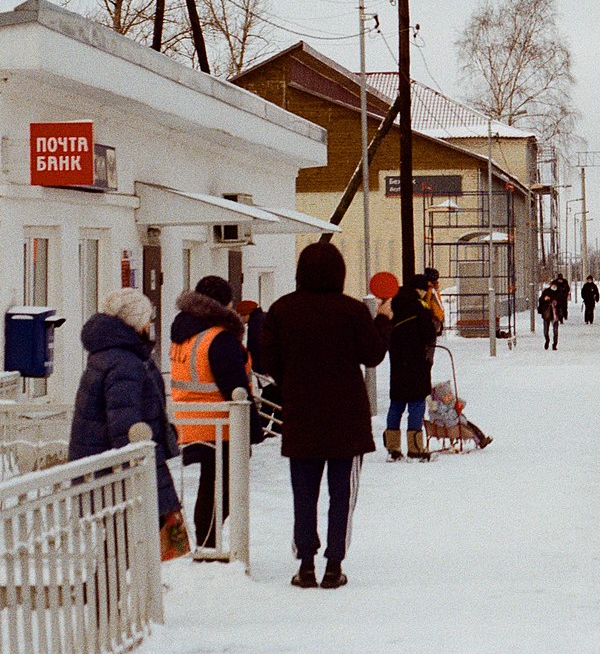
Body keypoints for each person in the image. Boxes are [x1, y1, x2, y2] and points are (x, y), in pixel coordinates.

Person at [261, 241, 392, 591]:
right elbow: (373, 354)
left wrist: (289, 382)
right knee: (341, 496)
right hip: (347, 420)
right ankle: (334, 565)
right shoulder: (351, 311)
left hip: (302, 416)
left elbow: (267, 360)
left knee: (304, 494)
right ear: (340, 272)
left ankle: (305, 564)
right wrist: (382, 320)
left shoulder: (282, 309)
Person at [69, 287, 183, 550]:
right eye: (147, 319)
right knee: (128, 544)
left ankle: (123, 590)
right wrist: (139, 465)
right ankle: (110, 592)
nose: (150, 324)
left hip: (110, 465)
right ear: (135, 323)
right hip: (122, 469)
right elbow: (125, 425)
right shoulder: (125, 362)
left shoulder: (113, 356)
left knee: (126, 543)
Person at [169, 275, 259, 550]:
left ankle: (209, 543)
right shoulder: (218, 338)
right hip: (223, 424)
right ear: (225, 303)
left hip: (192, 421)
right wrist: (252, 431)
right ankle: (209, 546)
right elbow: (235, 388)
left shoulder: (184, 332)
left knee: (212, 487)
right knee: (222, 492)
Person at [384, 275, 438, 461]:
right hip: (416, 361)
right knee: (416, 402)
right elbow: (429, 333)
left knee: (397, 402)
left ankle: (393, 447)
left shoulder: (393, 303)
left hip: (397, 360)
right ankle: (415, 447)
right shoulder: (420, 307)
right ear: (420, 290)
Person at [427, 380, 493, 449]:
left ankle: (481, 439)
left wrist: (459, 404)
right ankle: (480, 441)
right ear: (440, 398)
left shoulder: (449, 403)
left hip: (456, 422)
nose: (449, 397)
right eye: (446, 396)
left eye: (450, 395)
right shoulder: (439, 407)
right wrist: (456, 412)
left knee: (471, 425)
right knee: (468, 429)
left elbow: (462, 403)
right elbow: (447, 418)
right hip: (450, 426)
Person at [421, 267, 447, 335]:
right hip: (434, 318)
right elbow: (434, 305)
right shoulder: (432, 290)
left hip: (433, 318)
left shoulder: (430, 289)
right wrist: (440, 317)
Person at [537, 283, 560, 350]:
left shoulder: (558, 292)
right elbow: (541, 299)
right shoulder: (546, 291)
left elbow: (562, 301)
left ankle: (554, 344)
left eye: (555, 286)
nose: (554, 287)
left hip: (555, 313)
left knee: (555, 331)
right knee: (546, 330)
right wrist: (545, 299)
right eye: (553, 285)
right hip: (547, 312)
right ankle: (547, 340)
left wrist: (557, 303)